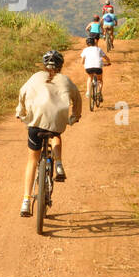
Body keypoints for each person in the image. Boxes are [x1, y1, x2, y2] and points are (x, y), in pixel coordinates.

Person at [15, 49, 82, 218]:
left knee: (32, 160)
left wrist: (21, 112)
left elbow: (22, 93)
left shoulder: (36, 77)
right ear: (60, 66)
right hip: (56, 123)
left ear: (44, 65)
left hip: (36, 123)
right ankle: (58, 164)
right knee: (56, 134)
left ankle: (25, 201)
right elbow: (77, 98)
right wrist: (75, 117)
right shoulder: (65, 80)